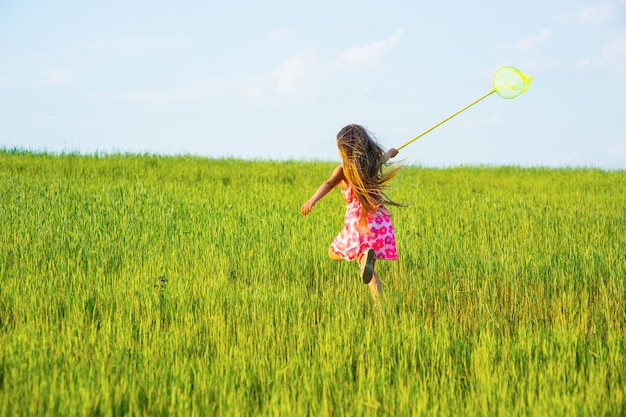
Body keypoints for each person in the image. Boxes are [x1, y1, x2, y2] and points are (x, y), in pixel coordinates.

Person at [300, 124, 402, 299]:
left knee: (333, 252)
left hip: (358, 223)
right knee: (368, 269)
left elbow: (328, 183)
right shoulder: (371, 166)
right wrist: (391, 152)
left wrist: (313, 199)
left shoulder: (343, 170)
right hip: (378, 222)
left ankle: (361, 257)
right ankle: (379, 305)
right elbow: (385, 157)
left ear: (344, 150)